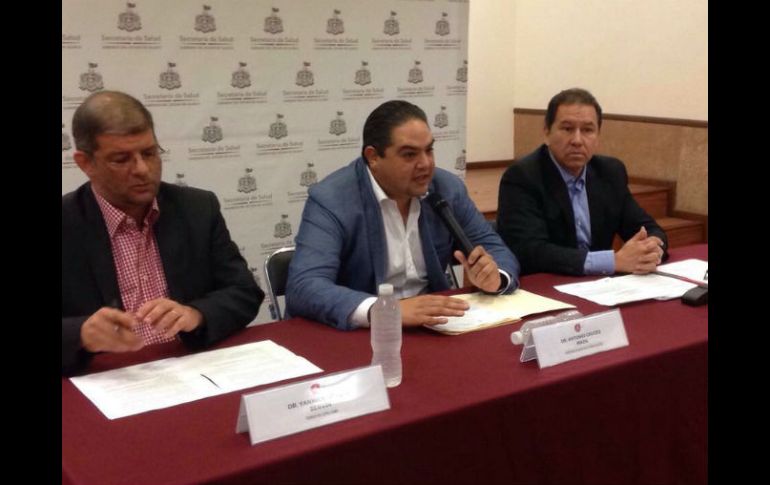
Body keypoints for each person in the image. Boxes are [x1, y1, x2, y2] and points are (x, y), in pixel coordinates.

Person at [62, 90, 264, 375]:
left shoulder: (197, 208)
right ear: (85, 163)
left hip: (190, 368)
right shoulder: (68, 222)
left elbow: (244, 292)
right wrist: (80, 333)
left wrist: (197, 314)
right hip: (107, 378)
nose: (142, 169)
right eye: (121, 159)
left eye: (149, 153)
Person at [286, 100, 519, 330]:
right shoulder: (332, 199)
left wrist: (495, 277)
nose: (425, 164)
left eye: (429, 150)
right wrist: (385, 311)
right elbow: (305, 286)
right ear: (373, 157)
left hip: (434, 326)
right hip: (361, 332)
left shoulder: (446, 188)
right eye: (409, 154)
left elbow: (493, 248)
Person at [497, 88, 668, 276]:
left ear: (598, 135)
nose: (577, 140)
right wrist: (611, 261)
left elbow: (649, 229)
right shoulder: (523, 177)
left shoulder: (610, 172)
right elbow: (530, 251)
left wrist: (651, 250)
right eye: (567, 129)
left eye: (587, 130)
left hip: (600, 284)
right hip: (547, 283)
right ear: (546, 132)